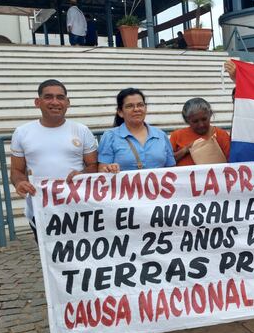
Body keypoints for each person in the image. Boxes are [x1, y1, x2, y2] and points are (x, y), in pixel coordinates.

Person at [10, 79, 98, 241]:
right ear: (38, 102)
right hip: (40, 209)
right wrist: (20, 183)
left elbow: (93, 165)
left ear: (68, 102)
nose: (55, 102)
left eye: (60, 97)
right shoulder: (22, 132)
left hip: (78, 207)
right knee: (51, 261)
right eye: (48, 97)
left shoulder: (82, 130)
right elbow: (16, 170)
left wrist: (82, 174)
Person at [98, 88, 176, 173]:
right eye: (130, 106)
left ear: (145, 108)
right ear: (120, 112)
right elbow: (102, 171)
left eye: (140, 105)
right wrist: (109, 168)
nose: (136, 109)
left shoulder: (160, 135)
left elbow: (171, 169)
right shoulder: (110, 136)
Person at [170, 98, 231, 166]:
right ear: (187, 120)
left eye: (204, 119)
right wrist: (185, 150)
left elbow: (232, 162)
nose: (201, 125)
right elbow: (167, 161)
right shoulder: (177, 135)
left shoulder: (221, 134)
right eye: (195, 121)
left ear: (210, 115)